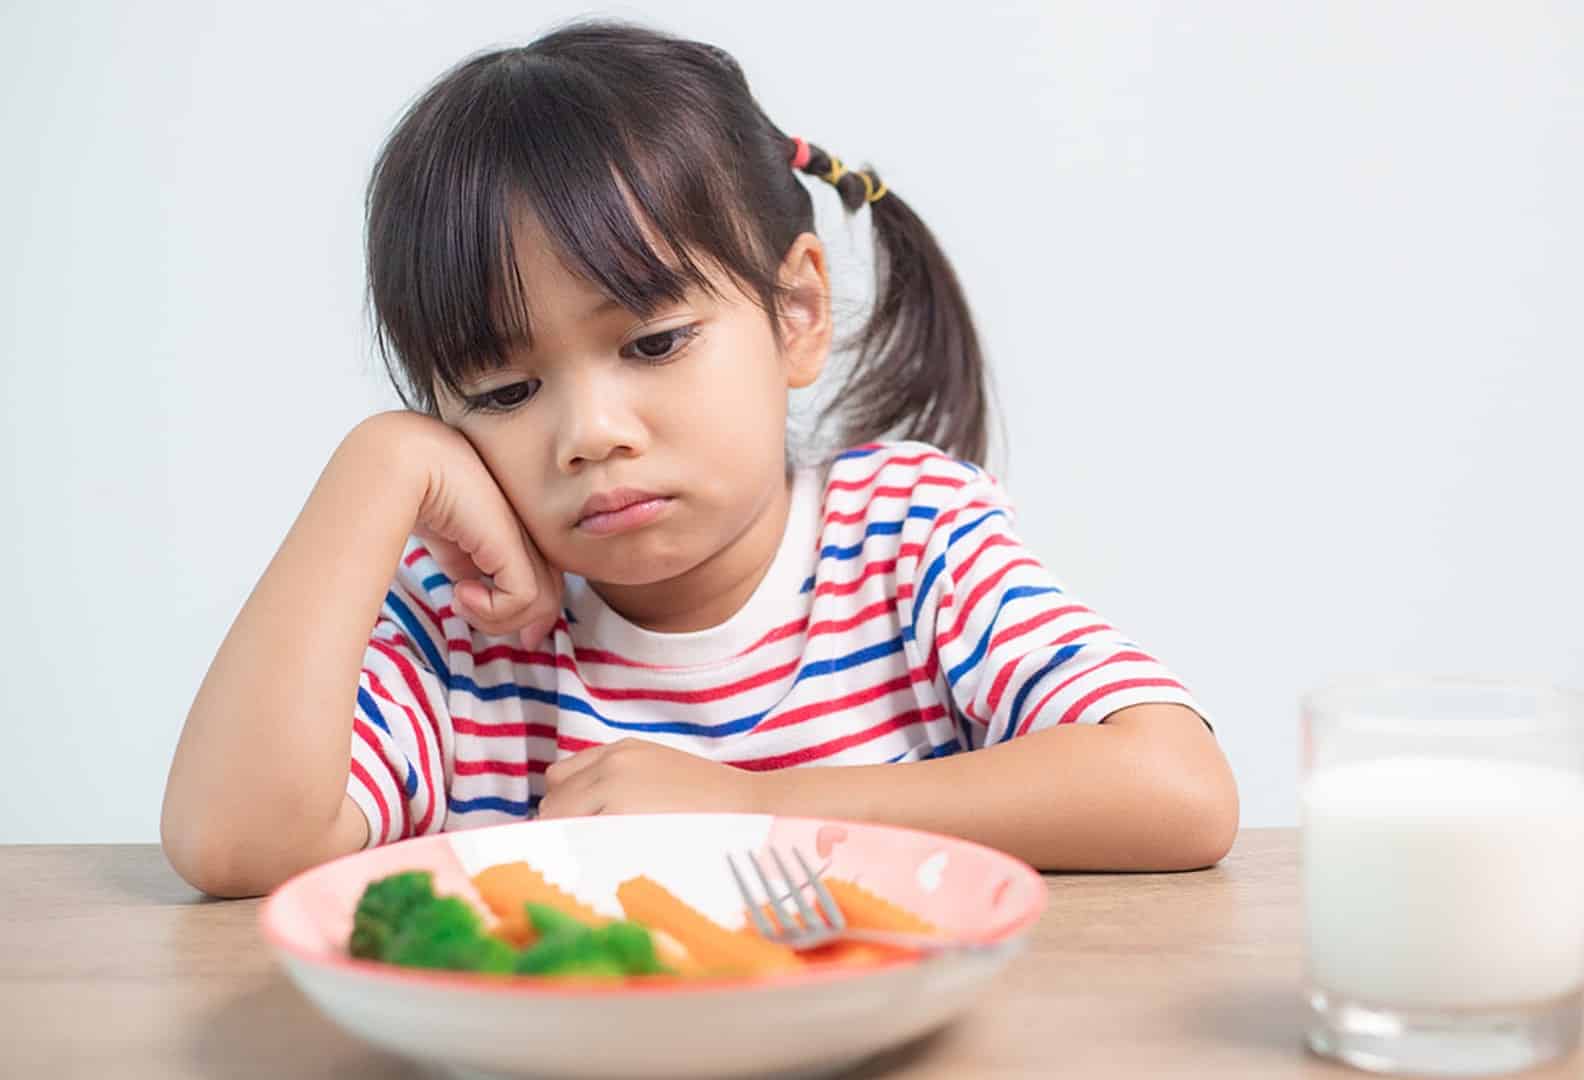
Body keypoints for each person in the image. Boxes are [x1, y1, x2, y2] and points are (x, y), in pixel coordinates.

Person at [161, 19, 1237, 898]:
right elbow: (235, 847)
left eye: (654, 342)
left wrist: (748, 806)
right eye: (502, 391)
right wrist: (379, 464)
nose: (591, 432)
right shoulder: (463, 632)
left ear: (797, 312)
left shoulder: (906, 541)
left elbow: (1178, 788)